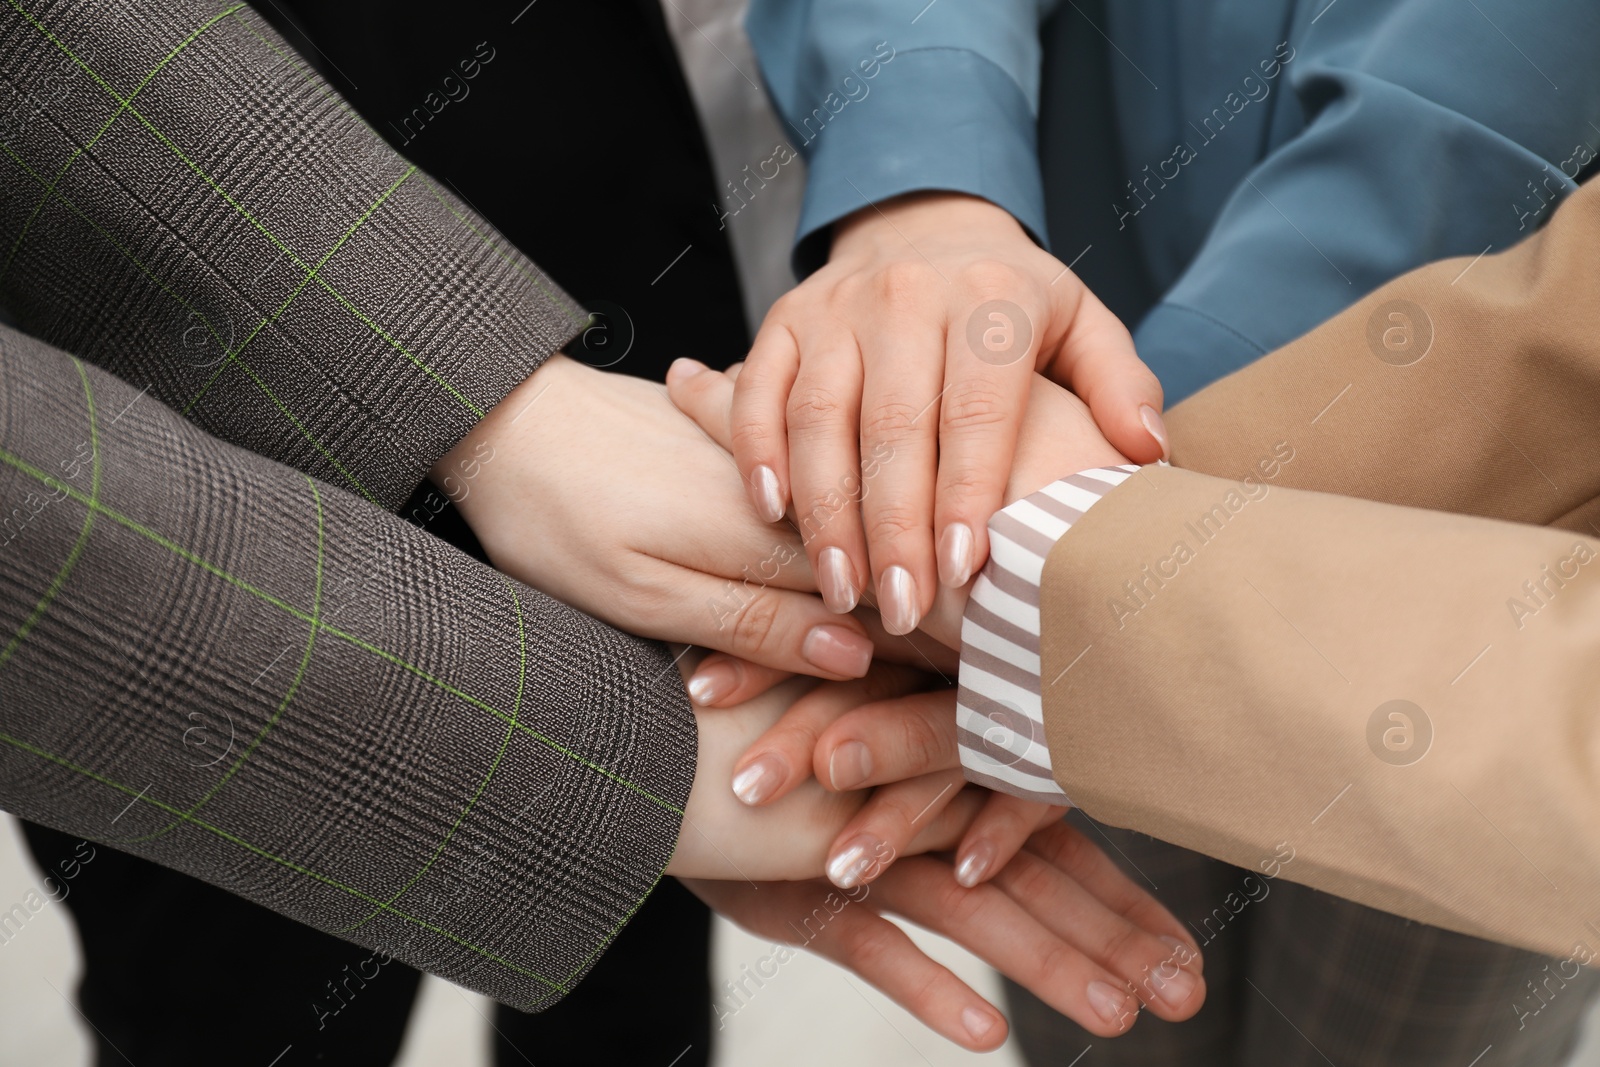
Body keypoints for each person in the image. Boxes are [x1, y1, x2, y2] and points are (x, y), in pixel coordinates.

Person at [0, 2, 1204, 1062]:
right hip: (109, 379)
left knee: (638, 978)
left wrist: (501, 401)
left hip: (575, 171)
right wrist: (611, 769)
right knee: (232, 987)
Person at [670, 173, 1600, 1063]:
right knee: (1112, 1023)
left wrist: (1075, 561)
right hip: (1144, 432)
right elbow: (1565, 327)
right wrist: (1102, 508)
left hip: (1434, 718)